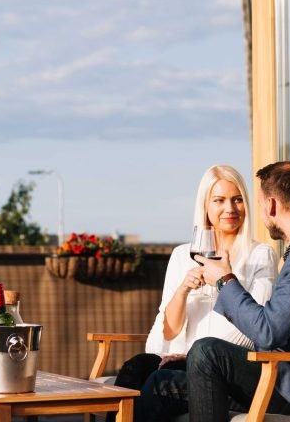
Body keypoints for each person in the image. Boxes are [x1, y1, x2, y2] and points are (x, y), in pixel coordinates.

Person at [137, 160, 290, 422]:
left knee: (205, 354)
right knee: (161, 379)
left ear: (271, 204)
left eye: (258, 203)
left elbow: (267, 332)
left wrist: (225, 280)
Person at [119, 164, 278, 421]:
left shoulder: (260, 255)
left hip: (218, 366)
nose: (230, 208)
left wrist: (192, 356)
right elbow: (168, 330)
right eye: (220, 200)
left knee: (158, 382)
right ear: (205, 205)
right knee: (133, 369)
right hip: (181, 357)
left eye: (237, 200)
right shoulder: (183, 255)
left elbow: (252, 326)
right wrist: (183, 290)